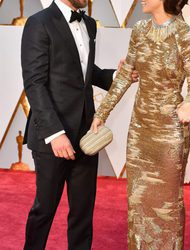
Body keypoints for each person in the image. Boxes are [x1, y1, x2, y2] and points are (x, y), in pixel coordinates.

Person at [21, 0, 138, 249]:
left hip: (86, 133)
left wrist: (116, 77)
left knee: (83, 212)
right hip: (52, 136)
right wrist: (55, 133)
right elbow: (35, 84)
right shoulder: (38, 23)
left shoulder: (88, 24)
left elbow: (84, 71)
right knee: (44, 210)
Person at [91, 0, 190, 249]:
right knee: (138, 201)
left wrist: (188, 104)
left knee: (168, 204)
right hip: (139, 131)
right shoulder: (140, 29)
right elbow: (123, 77)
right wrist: (102, 113)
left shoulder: (186, 35)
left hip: (170, 134)